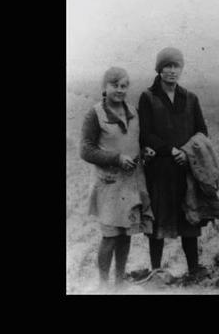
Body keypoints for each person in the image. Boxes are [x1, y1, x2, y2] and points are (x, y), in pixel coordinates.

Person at [138, 47, 211, 281]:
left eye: (176, 66)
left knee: (189, 216)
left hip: (184, 167)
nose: (171, 71)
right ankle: (156, 271)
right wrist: (170, 150)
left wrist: (187, 152)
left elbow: (201, 131)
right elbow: (145, 133)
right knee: (158, 219)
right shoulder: (148, 97)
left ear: (181, 68)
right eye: (167, 66)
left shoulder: (190, 98)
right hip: (159, 170)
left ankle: (194, 269)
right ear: (159, 69)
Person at [80, 66, 154, 292]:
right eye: (115, 85)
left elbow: (134, 141)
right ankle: (104, 285)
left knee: (126, 234)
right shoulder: (95, 114)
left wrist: (144, 151)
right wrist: (115, 158)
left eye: (124, 86)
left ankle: (120, 283)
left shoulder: (132, 111)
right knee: (110, 236)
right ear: (104, 87)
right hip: (109, 184)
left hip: (131, 183)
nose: (120, 90)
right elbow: (86, 150)